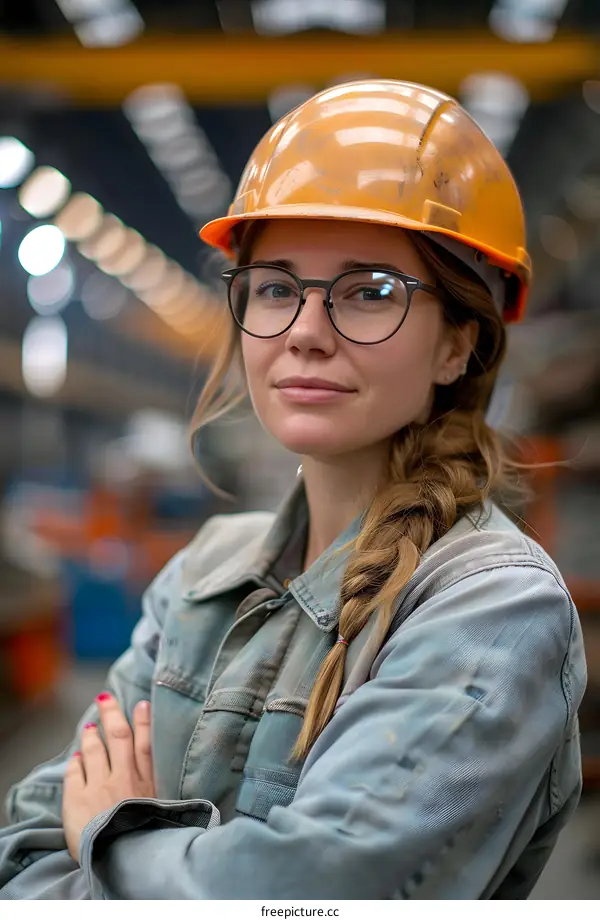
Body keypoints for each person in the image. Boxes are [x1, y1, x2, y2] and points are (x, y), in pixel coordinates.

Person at [0, 79, 586, 900]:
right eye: (276, 287)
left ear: (458, 344)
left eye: (370, 292)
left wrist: (114, 837)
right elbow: (24, 851)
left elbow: (306, 893)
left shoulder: (491, 609)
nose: (306, 332)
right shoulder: (205, 575)